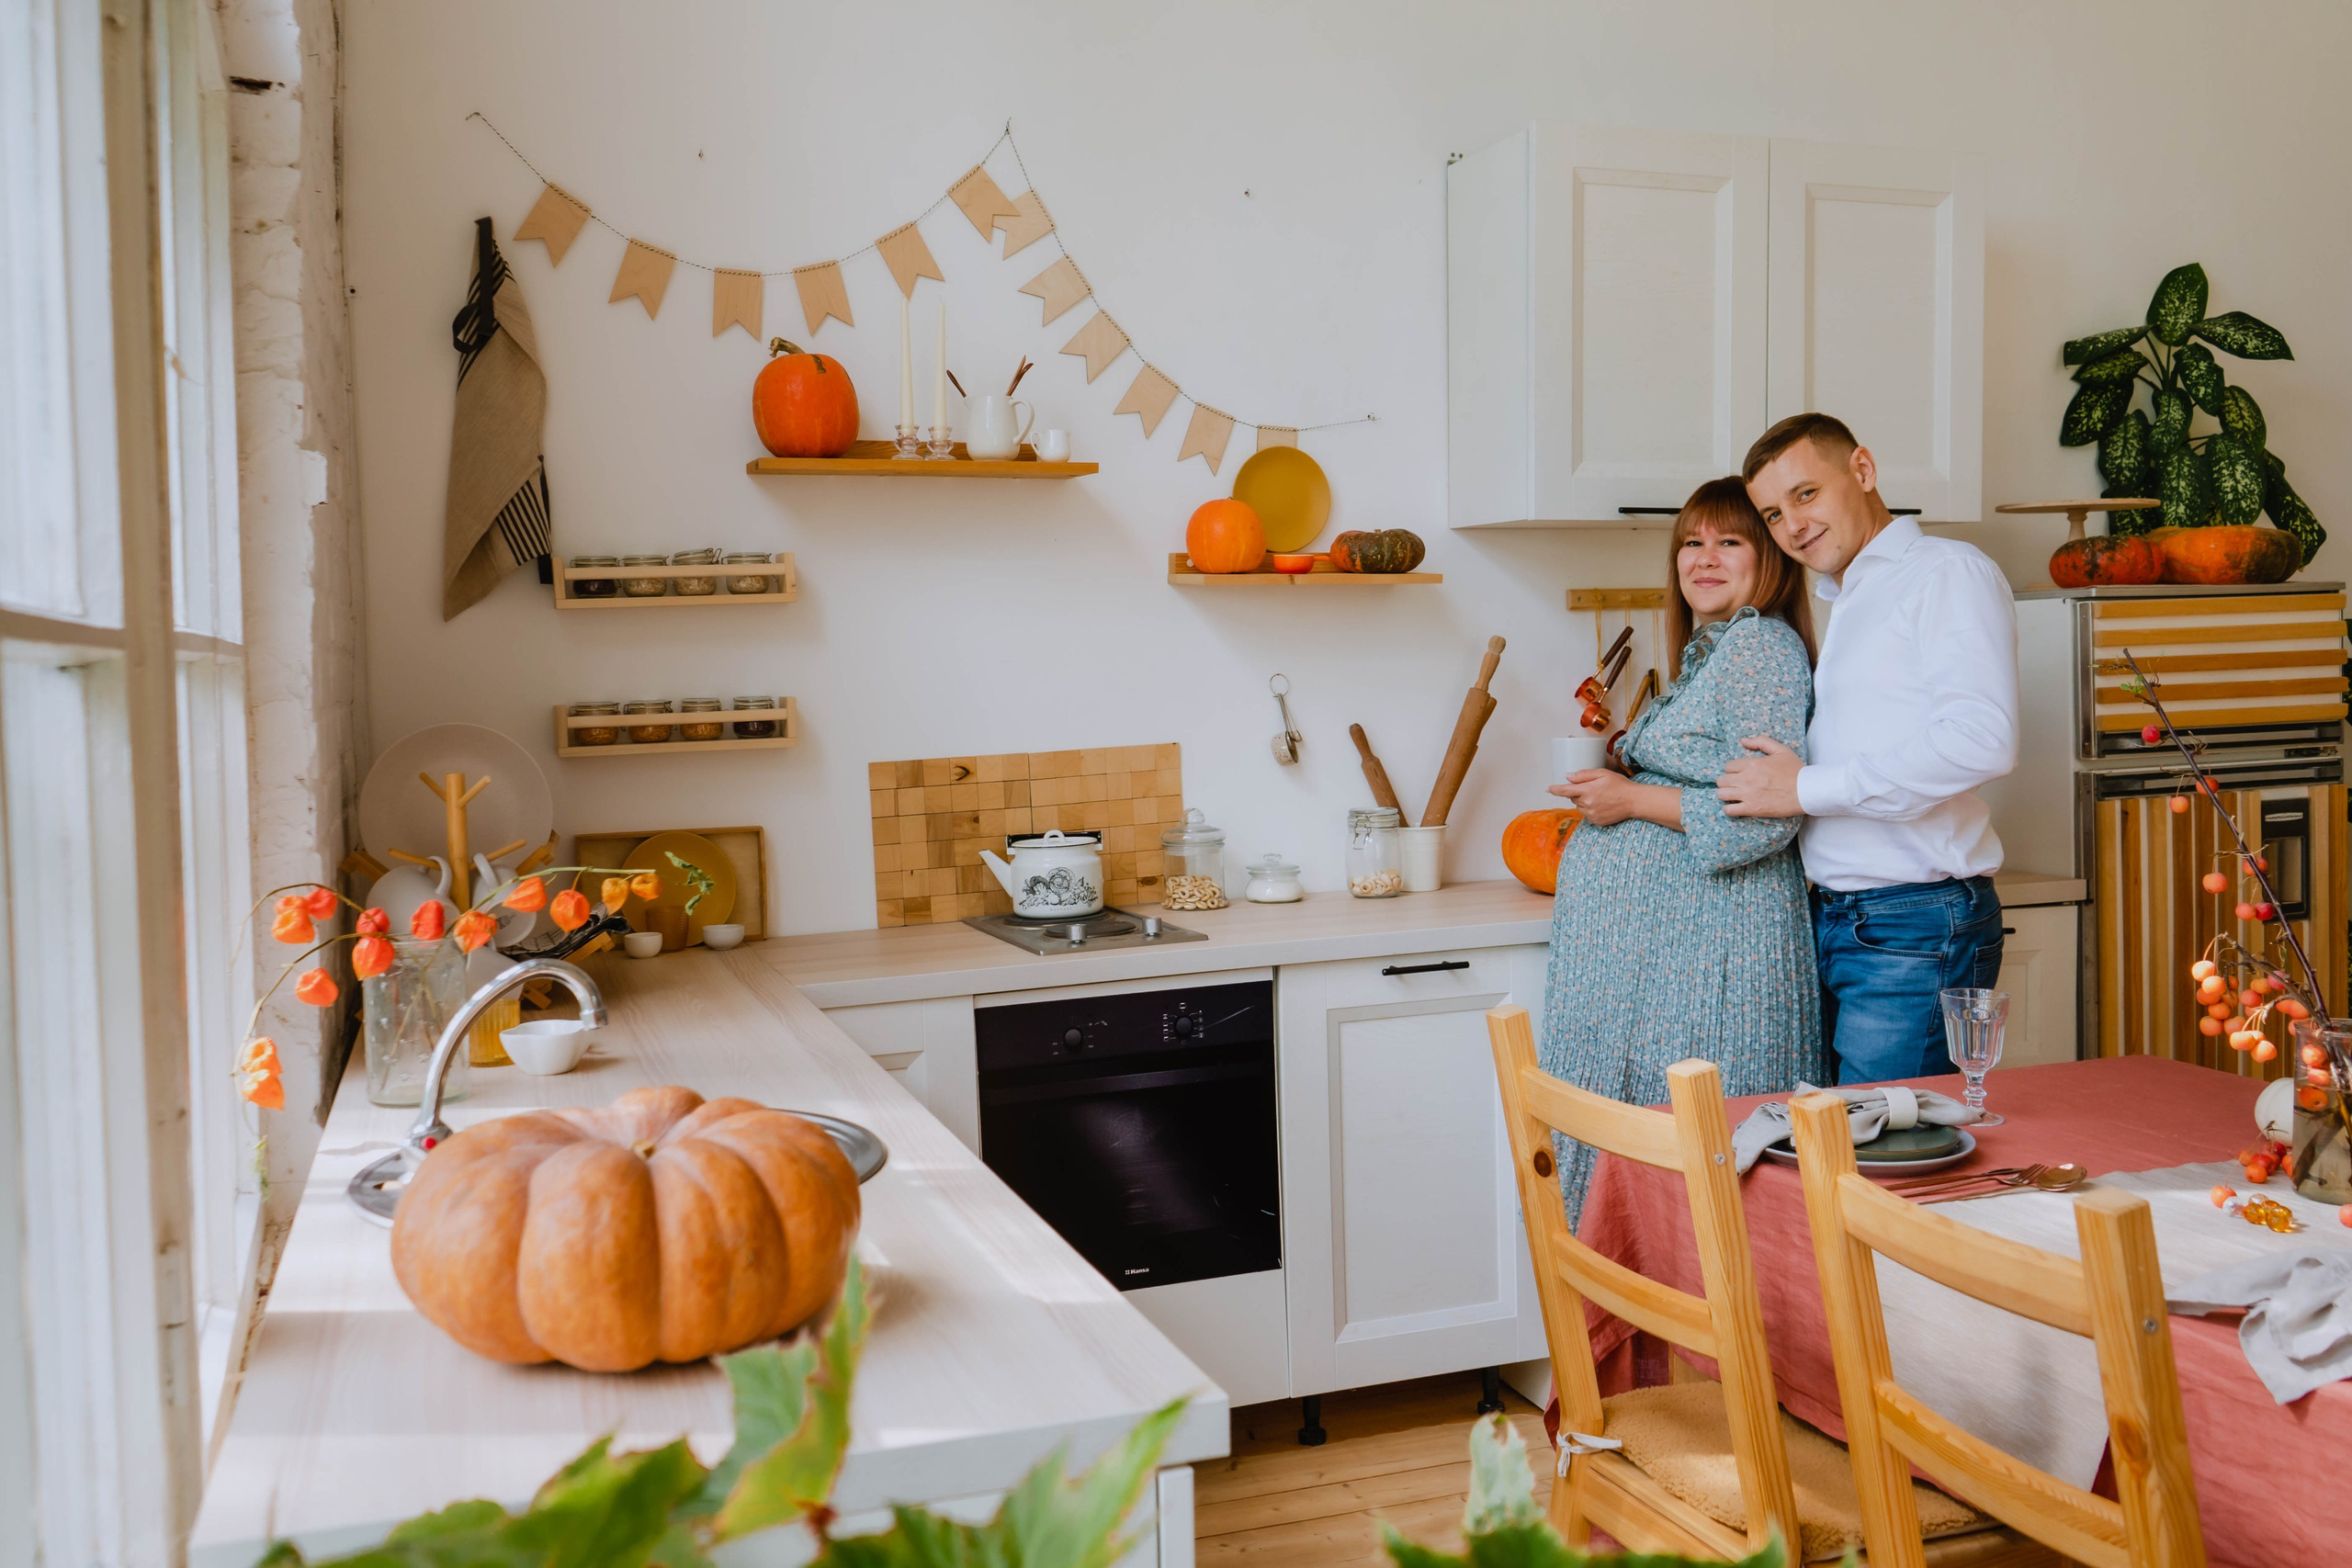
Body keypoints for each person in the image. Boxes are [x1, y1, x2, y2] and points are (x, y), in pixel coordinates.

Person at [1540, 478, 1819, 1224]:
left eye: (1729, 541)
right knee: (1668, 1165)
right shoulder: (1718, 650)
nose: (1705, 557)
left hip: (1717, 951)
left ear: (1770, 556)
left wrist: (1632, 801)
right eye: (1692, 542)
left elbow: (1762, 815)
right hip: (1675, 957)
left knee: (1705, 1170)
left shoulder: (1761, 646)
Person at [1719, 412, 2019, 1085]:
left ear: (1862, 470)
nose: (1794, 526)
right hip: (1843, 921)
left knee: (1883, 1139)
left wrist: (1804, 787)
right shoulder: (1849, 596)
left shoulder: (1945, 571)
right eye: (1773, 514)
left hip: (1916, 923)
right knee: (1839, 1135)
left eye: (1806, 494)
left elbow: (1983, 740)